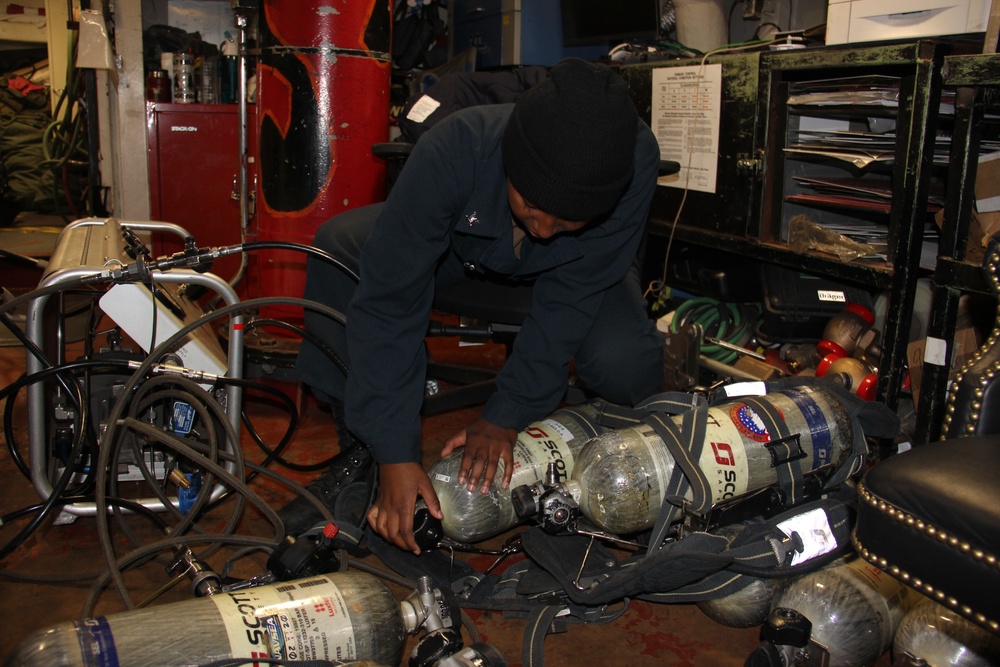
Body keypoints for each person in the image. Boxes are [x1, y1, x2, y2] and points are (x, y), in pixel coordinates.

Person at [283, 58, 665, 553]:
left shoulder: (634, 162)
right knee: (339, 244)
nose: (544, 231)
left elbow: (571, 299)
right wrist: (394, 452)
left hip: (574, 275)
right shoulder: (455, 147)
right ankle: (361, 454)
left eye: (569, 219)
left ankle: (620, 456)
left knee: (625, 360)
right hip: (464, 259)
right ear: (510, 162)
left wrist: (505, 416)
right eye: (532, 206)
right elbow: (391, 303)